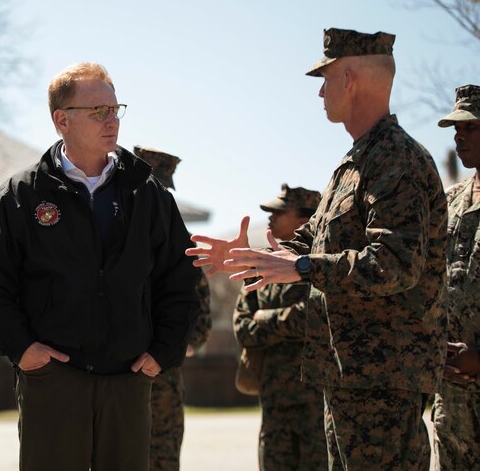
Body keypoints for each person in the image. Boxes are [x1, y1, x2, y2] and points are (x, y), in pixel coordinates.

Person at [187, 28, 447, 470]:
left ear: (350, 78)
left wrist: (304, 267)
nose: (321, 92)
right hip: (347, 373)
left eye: (324, 80)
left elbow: (396, 264)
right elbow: (314, 241)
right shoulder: (356, 162)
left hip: (382, 379)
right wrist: (250, 257)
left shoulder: (395, 158)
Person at [0, 62, 200, 471]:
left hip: (130, 379)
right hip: (53, 380)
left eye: (115, 109)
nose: (112, 121)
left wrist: (162, 351)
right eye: (98, 112)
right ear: (62, 120)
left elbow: (179, 280)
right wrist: (22, 349)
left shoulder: (149, 194)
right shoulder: (21, 194)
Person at [232, 183, 326, 470]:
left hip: (314, 400)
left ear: (305, 220)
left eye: (279, 211)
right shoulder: (258, 265)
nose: (270, 217)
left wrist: (265, 319)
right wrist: (284, 322)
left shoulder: (320, 266)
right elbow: (242, 327)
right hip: (273, 398)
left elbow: (314, 318)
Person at [132, 145, 212, 471]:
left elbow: (201, 320)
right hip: (111, 380)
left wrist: (167, 346)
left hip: (162, 381)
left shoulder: (182, 246)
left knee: (161, 461)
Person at [433, 84, 480, 470]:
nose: (458, 136)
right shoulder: (451, 202)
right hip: (453, 400)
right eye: (455, 129)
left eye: (470, 127)